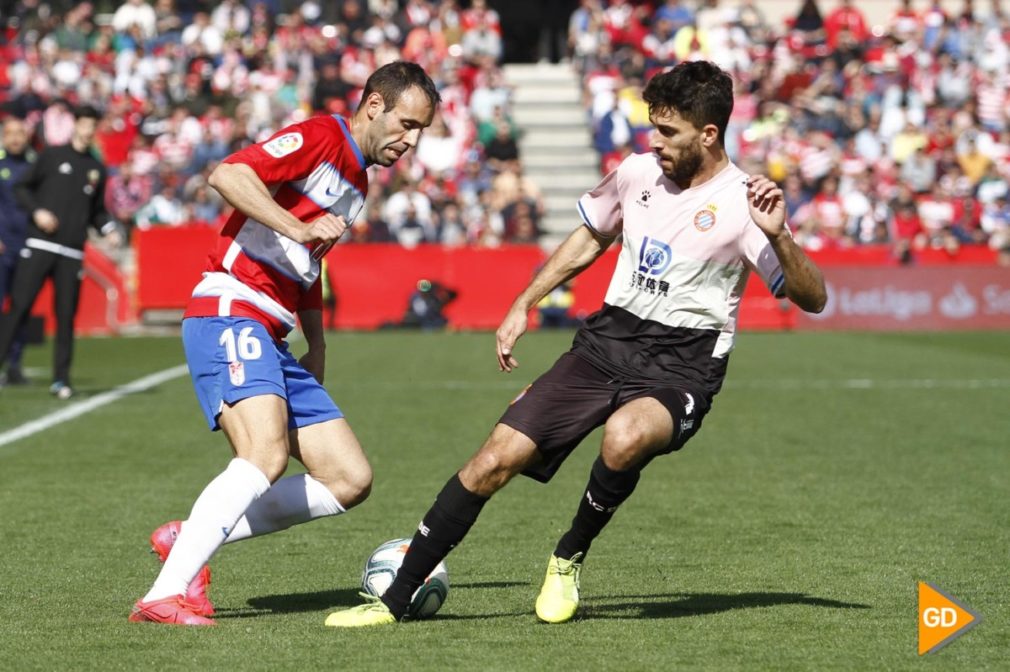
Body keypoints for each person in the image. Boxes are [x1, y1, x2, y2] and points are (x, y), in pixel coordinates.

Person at [325, 60, 827, 628]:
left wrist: (780, 234)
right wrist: (524, 301)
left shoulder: (745, 203)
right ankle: (393, 602)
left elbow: (811, 298)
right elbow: (591, 237)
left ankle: (568, 557)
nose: (653, 142)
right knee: (493, 460)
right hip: (605, 343)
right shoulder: (637, 173)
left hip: (682, 366)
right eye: (652, 128)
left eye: (668, 132)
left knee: (625, 436)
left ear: (709, 134)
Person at [128, 61, 439, 626]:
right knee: (263, 457)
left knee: (349, 479)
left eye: (421, 131)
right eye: (407, 124)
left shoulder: (359, 181)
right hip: (231, 309)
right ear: (373, 106)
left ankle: (189, 538)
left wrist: (316, 341)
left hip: (273, 330)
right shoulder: (322, 136)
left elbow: (308, 262)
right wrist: (298, 227)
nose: (411, 141)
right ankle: (163, 595)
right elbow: (228, 175)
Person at [0, 105, 118, 399]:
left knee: (66, 317)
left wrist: (109, 229)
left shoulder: (96, 169)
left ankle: (61, 379)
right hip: (40, 244)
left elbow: (97, 212)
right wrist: (38, 212)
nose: (88, 130)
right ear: (75, 125)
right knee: (19, 308)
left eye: (93, 126)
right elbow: (22, 188)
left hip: (71, 251)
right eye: (85, 124)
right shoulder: (52, 155)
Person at [0, 117, 36, 386]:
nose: (15, 138)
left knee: (22, 308)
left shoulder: (35, 165)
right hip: (3, 246)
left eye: (19, 133)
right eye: (10, 133)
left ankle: (15, 363)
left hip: (28, 246)